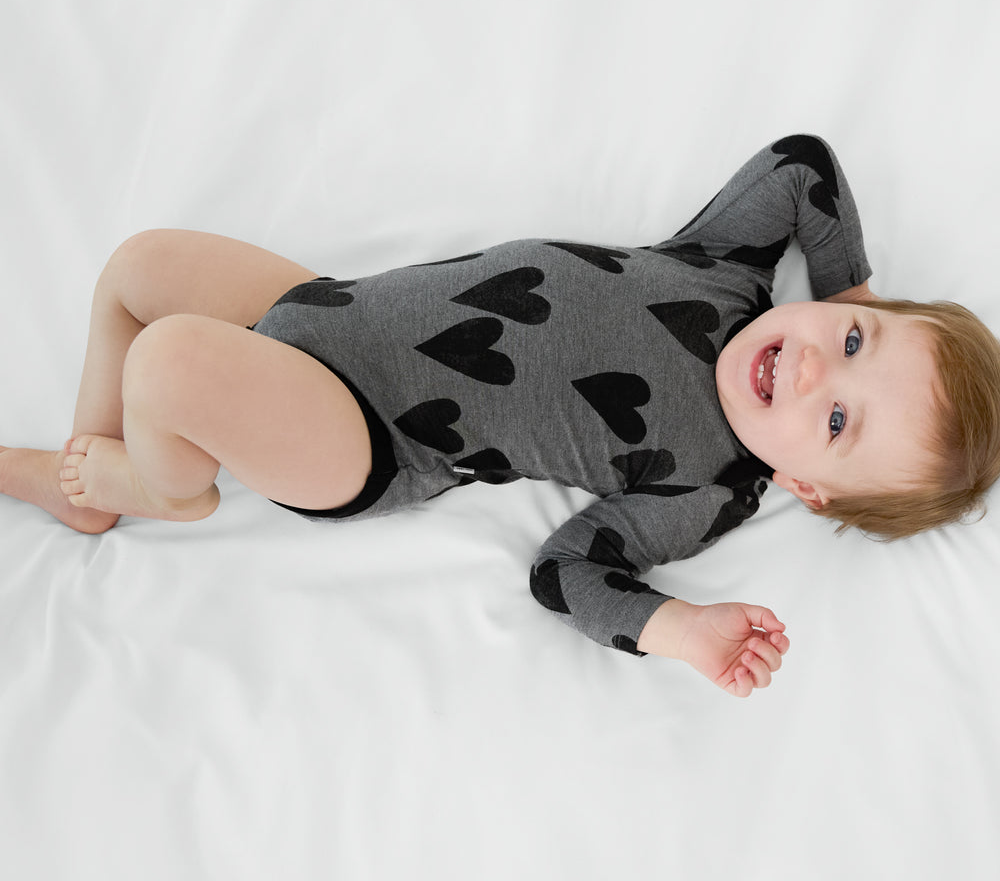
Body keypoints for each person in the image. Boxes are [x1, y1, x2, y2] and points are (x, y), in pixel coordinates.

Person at [3, 135, 999, 698]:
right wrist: (851, 289)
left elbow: (566, 574)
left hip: (364, 435)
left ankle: (163, 487)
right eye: (858, 342)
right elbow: (802, 167)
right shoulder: (725, 271)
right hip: (331, 306)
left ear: (804, 488)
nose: (818, 368)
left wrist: (680, 627)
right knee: (139, 268)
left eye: (836, 423)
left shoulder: (708, 485)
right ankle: (87, 478)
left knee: (171, 356)